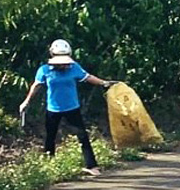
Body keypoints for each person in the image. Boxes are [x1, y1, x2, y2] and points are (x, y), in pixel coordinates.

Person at [19, 39, 114, 176]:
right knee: (50, 137)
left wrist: (104, 83)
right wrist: (26, 101)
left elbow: (87, 77)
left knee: (82, 136)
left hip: (72, 108)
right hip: (53, 109)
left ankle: (92, 166)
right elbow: (36, 86)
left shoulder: (74, 67)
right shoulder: (44, 70)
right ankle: (48, 166)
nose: (63, 65)